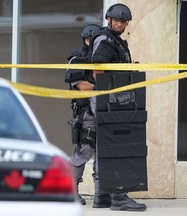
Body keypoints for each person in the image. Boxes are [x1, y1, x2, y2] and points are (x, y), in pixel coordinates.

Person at [89, 3, 147, 211]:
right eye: (117, 20)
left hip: (115, 100)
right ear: (108, 19)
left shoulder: (116, 41)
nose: (120, 24)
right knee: (117, 146)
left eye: (123, 21)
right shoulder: (105, 40)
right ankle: (119, 196)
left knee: (106, 146)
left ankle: (102, 196)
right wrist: (107, 101)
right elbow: (98, 70)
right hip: (110, 101)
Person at [65, 23, 101, 205]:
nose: (90, 42)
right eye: (88, 39)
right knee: (83, 152)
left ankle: (100, 194)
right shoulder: (77, 60)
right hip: (86, 113)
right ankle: (71, 192)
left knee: (103, 154)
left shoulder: (102, 59)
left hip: (104, 112)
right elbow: (83, 87)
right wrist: (103, 85)